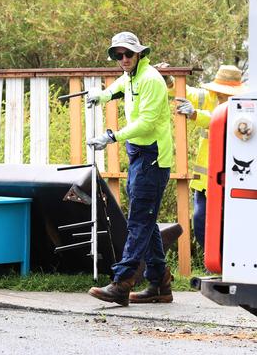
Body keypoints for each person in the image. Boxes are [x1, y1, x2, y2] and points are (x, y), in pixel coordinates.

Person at [85, 31, 174, 306]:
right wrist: (102, 96)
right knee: (145, 219)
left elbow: (147, 123)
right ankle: (160, 283)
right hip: (138, 153)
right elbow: (120, 86)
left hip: (153, 157)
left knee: (138, 220)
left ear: (139, 54)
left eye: (127, 54)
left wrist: (112, 136)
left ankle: (122, 283)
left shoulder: (150, 80)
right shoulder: (133, 75)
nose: (123, 59)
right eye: (118, 55)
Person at [160, 64, 245, 251]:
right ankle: (213, 260)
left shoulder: (242, 106)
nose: (222, 96)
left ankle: (225, 262)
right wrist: (168, 79)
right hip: (206, 181)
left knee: (228, 224)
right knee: (200, 222)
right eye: (221, 92)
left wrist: (195, 114)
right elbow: (184, 92)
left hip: (232, 178)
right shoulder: (210, 97)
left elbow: (219, 120)